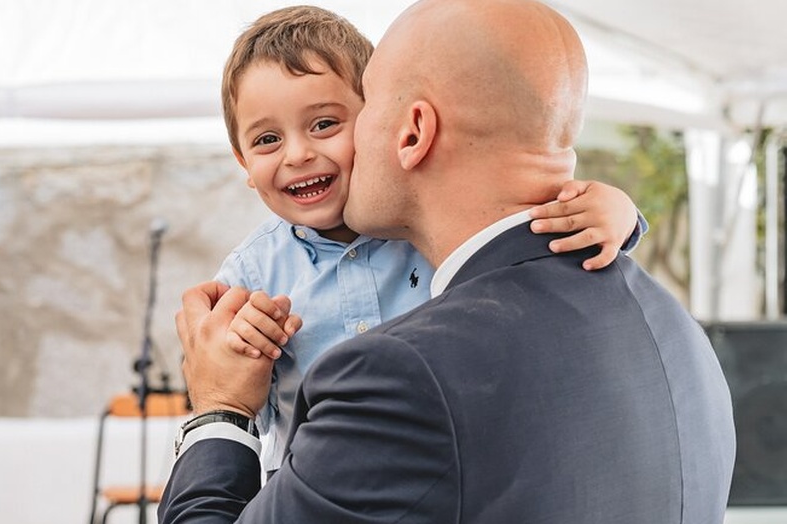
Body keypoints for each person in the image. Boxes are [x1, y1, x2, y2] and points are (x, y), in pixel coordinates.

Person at [162, 0, 736, 522]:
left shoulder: (399, 377)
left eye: (340, 122)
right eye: (266, 140)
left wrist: (219, 408)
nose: (302, 153)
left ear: (411, 132)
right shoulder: (671, 322)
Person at [206, 4, 646, 476]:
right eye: (267, 140)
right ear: (243, 162)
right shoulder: (251, 276)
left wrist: (616, 210)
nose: (298, 154)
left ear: (378, 122)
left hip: (444, 471)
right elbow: (233, 394)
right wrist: (240, 346)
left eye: (324, 125)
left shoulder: (429, 224)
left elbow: (541, 218)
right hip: (313, 487)